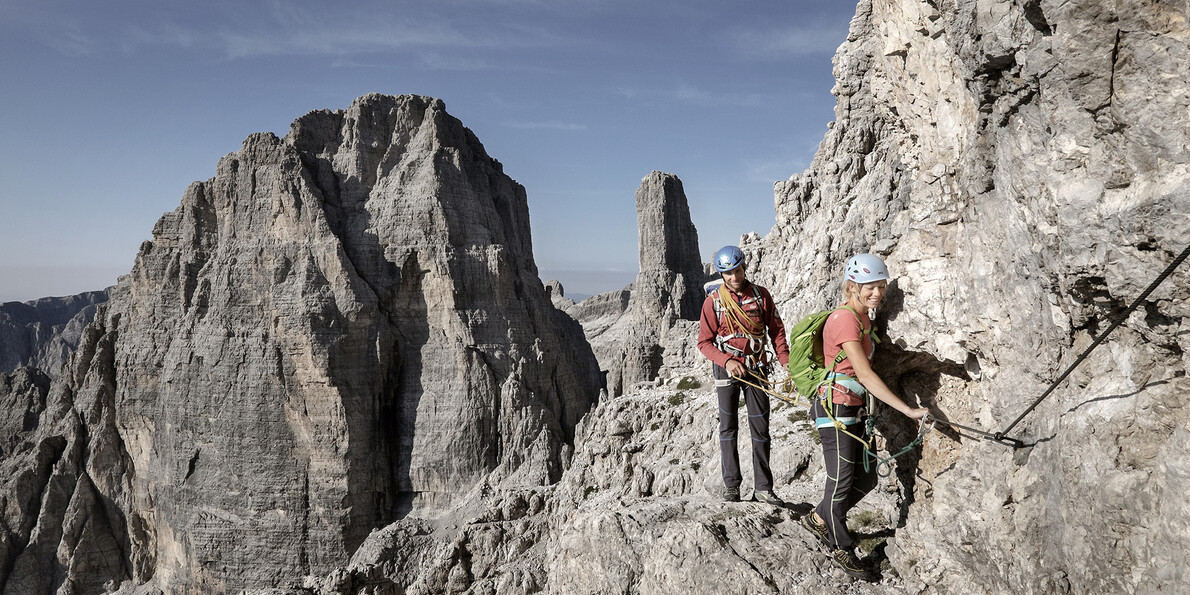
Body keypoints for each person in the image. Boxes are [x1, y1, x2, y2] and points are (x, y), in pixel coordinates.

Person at [799, 253, 929, 580]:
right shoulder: (845, 319)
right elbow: (866, 375)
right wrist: (907, 410)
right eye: (871, 287)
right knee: (841, 480)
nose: (878, 294)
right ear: (853, 286)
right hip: (835, 407)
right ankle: (842, 547)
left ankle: (819, 517)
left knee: (867, 478)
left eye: (882, 287)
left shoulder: (864, 320)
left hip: (852, 407)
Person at [697, 245, 790, 506]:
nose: (734, 277)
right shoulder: (713, 302)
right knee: (728, 428)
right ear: (721, 274)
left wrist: (785, 360)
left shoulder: (761, 297)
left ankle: (763, 488)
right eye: (728, 273)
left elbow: (776, 330)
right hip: (727, 368)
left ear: (744, 267)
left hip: (757, 366)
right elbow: (704, 342)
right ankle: (732, 487)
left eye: (737, 271)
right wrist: (726, 360)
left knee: (760, 428)